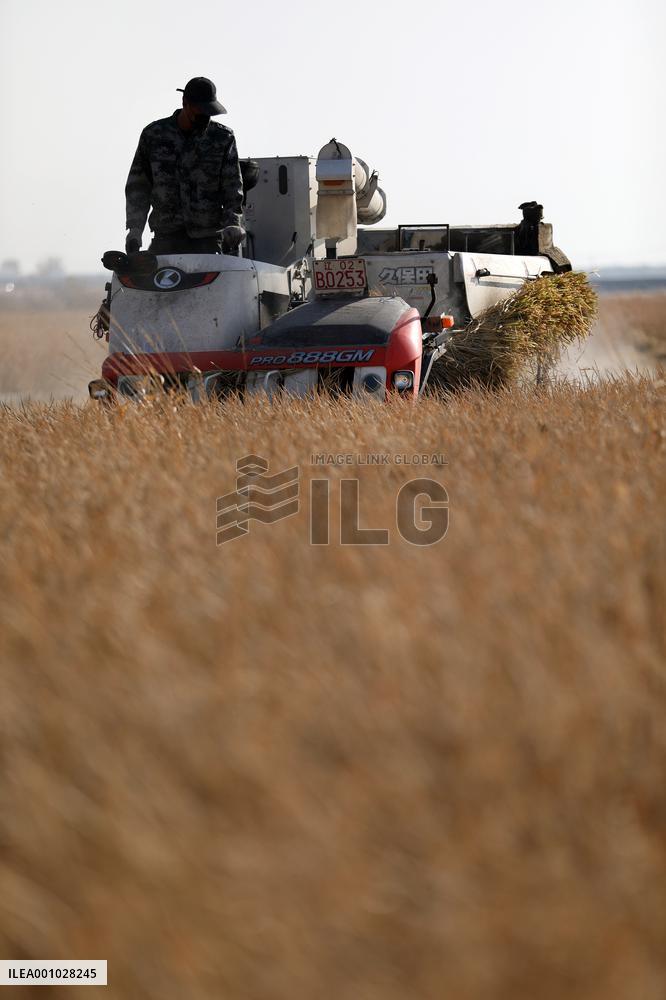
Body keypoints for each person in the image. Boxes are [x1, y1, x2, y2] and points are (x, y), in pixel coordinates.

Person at [125, 77, 245, 256]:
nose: (205, 117)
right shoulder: (154, 136)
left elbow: (232, 187)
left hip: (208, 240)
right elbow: (139, 186)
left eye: (209, 112)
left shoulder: (222, 138)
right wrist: (135, 229)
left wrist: (233, 224)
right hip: (166, 238)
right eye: (200, 111)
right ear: (185, 103)